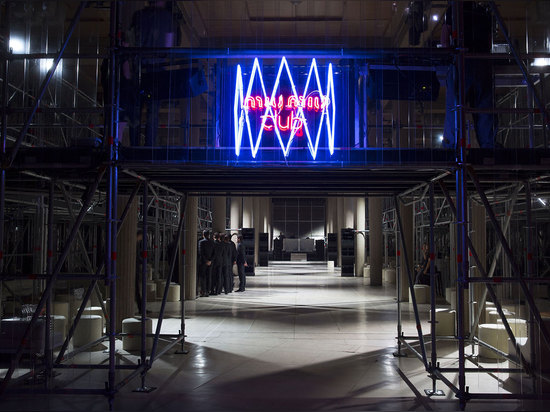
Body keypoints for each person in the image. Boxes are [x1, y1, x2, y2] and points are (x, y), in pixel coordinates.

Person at [441, 1, 499, 149]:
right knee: (484, 106)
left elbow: (445, 37)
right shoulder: (483, 11)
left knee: (455, 104)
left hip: (460, 60)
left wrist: (449, 57)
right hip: (482, 60)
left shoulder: (454, 10)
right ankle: (488, 145)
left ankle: (452, 145)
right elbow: (489, 40)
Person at [130, 0, 180, 146]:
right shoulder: (167, 18)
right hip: (157, 69)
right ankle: (149, 146)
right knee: (153, 111)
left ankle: (134, 145)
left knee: (136, 110)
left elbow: (131, 40)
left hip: (139, 68)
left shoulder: (138, 16)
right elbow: (168, 47)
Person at [198, 230, 214, 297]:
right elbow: (214, 253)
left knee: (203, 277)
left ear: (203, 235)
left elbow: (201, 253)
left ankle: (203, 291)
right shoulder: (212, 242)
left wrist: (206, 261)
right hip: (210, 263)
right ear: (209, 235)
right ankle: (208, 291)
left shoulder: (201, 242)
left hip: (203, 262)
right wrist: (210, 260)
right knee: (209, 276)